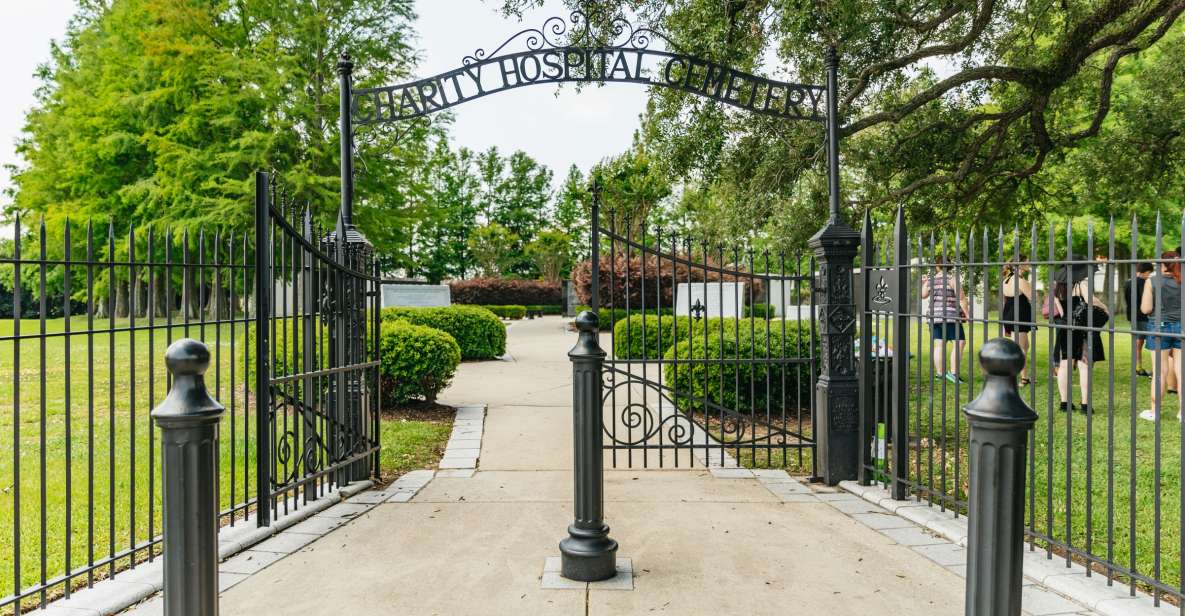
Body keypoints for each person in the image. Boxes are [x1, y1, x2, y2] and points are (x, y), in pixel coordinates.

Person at [1051, 268, 1108, 414]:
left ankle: (1065, 403)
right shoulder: (1080, 285)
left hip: (1066, 327)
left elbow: (1062, 312)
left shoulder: (1056, 287)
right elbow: (1091, 301)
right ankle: (1085, 405)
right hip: (1083, 328)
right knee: (1085, 367)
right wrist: (1104, 307)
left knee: (1064, 366)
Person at [1139, 250, 1183, 422]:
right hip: (1182, 328)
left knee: (1160, 372)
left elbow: (1146, 309)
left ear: (1162, 263)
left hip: (1159, 327)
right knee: (1182, 372)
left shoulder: (1152, 281)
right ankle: (1182, 413)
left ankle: (1154, 411)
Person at [922, 255, 970, 384]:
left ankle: (940, 374)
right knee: (959, 342)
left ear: (937, 266)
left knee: (939, 344)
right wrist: (967, 314)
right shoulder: (952, 279)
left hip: (933, 316)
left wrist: (925, 282)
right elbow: (961, 298)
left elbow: (923, 295)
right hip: (949, 316)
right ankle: (954, 373)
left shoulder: (931, 280)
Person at [1001, 258, 1035, 385]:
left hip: (1010, 314)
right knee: (1020, 349)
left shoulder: (1006, 279)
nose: (1029, 264)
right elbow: (1032, 297)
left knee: (1024, 346)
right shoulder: (1020, 281)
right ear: (1020, 265)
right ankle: (1018, 378)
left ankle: (1024, 377)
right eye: (1026, 262)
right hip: (1018, 316)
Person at [1125, 262, 1155, 377]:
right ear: (1146, 271)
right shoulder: (1144, 283)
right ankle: (1143, 369)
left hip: (1132, 316)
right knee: (1151, 343)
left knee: (1138, 343)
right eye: (1149, 273)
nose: (1149, 275)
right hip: (1143, 316)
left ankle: (1138, 367)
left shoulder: (1128, 282)